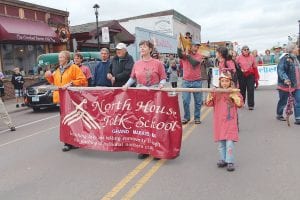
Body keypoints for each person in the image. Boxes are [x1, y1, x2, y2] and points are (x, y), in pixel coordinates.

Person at [123, 40, 167, 160]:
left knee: (155, 122)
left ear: (150, 49)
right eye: (140, 47)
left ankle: (156, 149)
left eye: (144, 47)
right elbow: (132, 78)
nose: (142, 49)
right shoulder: (136, 64)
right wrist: (126, 85)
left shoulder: (158, 63)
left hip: (154, 96)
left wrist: (161, 85)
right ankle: (144, 149)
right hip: (141, 95)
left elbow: (163, 78)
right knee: (142, 122)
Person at [45, 50, 87, 152]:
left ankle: (74, 141)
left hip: (72, 98)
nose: (59, 59)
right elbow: (54, 82)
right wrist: (48, 76)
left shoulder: (74, 68)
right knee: (65, 121)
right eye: (59, 57)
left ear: (67, 58)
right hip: (62, 98)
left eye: (61, 57)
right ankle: (68, 142)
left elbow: (83, 80)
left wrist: (71, 83)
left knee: (73, 120)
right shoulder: (58, 70)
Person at [205, 71, 244, 172]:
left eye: (227, 81)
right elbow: (208, 103)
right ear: (220, 82)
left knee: (229, 142)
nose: (225, 83)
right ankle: (223, 159)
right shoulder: (216, 92)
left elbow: (240, 104)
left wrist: (235, 97)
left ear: (230, 82)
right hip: (220, 122)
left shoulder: (235, 92)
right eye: (222, 81)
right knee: (221, 142)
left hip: (230, 121)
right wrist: (210, 94)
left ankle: (230, 161)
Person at [178, 39, 203, 124]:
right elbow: (179, 53)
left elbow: (194, 63)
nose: (196, 48)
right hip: (186, 82)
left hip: (197, 81)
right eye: (195, 46)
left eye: (197, 46)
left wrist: (188, 55)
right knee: (185, 101)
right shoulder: (185, 55)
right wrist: (179, 42)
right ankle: (186, 117)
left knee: (198, 102)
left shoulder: (199, 55)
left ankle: (197, 117)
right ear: (190, 46)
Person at [276, 43, 300, 124]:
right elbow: (280, 70)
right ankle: (279, 114)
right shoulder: (285, 59)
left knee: (298, 101)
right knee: (283, 101)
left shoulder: (296, 58)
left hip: (296, 84)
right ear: (292, 49)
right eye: (296, 48)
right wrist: (285, 79)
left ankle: (298, 118)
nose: (298, 49)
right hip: (286, 85)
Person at [236, 45, 259, 110]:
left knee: (251, 89)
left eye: (247, 49)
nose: (246, 51)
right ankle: (242, 102)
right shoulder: (239, 57)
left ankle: (251, 105)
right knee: (242, 90)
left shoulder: (252, 57)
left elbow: (254, 66)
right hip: (242, 75)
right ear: (242, 51)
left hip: (250, 75)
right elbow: (236, 65)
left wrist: (256, 77)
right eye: (245, 49)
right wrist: (240, 69)